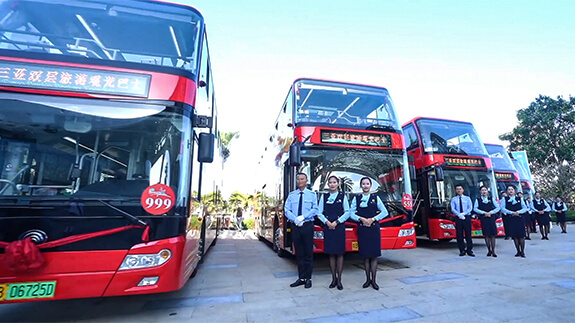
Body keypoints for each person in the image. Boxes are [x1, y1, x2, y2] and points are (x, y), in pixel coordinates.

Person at [349, 177, 388, 290]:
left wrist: (373, 219)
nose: (365, 186)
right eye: (363, 184)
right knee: (365, 256)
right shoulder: (356, 198)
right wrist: (361, 219)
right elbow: (351, 213)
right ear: (360, 186)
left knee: (374, 256)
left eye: (367, 184)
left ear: (370, 186)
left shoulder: (376, 198)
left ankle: (374, 281)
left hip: (373, 229)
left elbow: (384, 212)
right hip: (362, 229)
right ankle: (367, 280)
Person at [284, 172, 318, 288]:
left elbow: (315, 209)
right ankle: (301, 277)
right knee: (299, 252)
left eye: (302, 179)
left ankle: (308, 278)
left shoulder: (312, 194)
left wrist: (303, 217)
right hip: (296, 226)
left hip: (307, 225)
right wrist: (295, 219)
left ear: (306, 181)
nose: (300, 181)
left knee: (308, 252)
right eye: (298, 179)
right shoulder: (292, 195)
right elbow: (287, 210)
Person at [317, 175, 350, 290]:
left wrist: (337, 221)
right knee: (331, 253)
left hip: (339, 227)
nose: (332, 184)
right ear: (328, 184)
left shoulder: (342, 196)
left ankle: (340, 280)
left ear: (338, 184)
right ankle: (333, 279)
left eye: (334, 182)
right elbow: (319, 212)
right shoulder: (324, 196)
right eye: (330, 182)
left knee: (340, 253)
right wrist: (327, 222)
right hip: (328, 228)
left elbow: (347, 212)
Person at [500, 185, 528, 257]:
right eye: (509, 189)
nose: (510, 191)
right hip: (511, 218)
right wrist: (511, 213)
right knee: (515, 236)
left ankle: (522, 251)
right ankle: (518, 251)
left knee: (521, 235)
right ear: (507, 191)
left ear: (514, 191)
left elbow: (525, 208)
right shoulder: (504, 199)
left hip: (520, 218)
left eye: (512, 189)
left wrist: (518, 212)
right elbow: (503, 208)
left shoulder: (519, 198)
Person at [473, 186, 500, 257]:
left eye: (485, 190)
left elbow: (498, 207)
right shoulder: (478, 200)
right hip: (483, 218)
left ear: (487, 191)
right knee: (486, 234)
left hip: (491, 217)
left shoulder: (491, 199)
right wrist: (483, 212)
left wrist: (491, 212)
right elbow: (475, 208)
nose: (484, 192)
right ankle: (489, 250)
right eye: (482, 190)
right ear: (480, 192)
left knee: (493, 234)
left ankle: (494, 251)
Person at [451, 185, 474, 257]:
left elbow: (470, 208)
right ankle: (462, 250)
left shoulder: (467, 198)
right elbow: (453, 209)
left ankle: (469, 250)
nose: (459, 190)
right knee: (459, 235)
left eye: (460, 189)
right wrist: (459, 214)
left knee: (468, 234)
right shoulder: (454, 199)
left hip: (466, 217)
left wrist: (464, 214)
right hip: (458, 218)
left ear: (463, 190)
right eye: (457, 189)